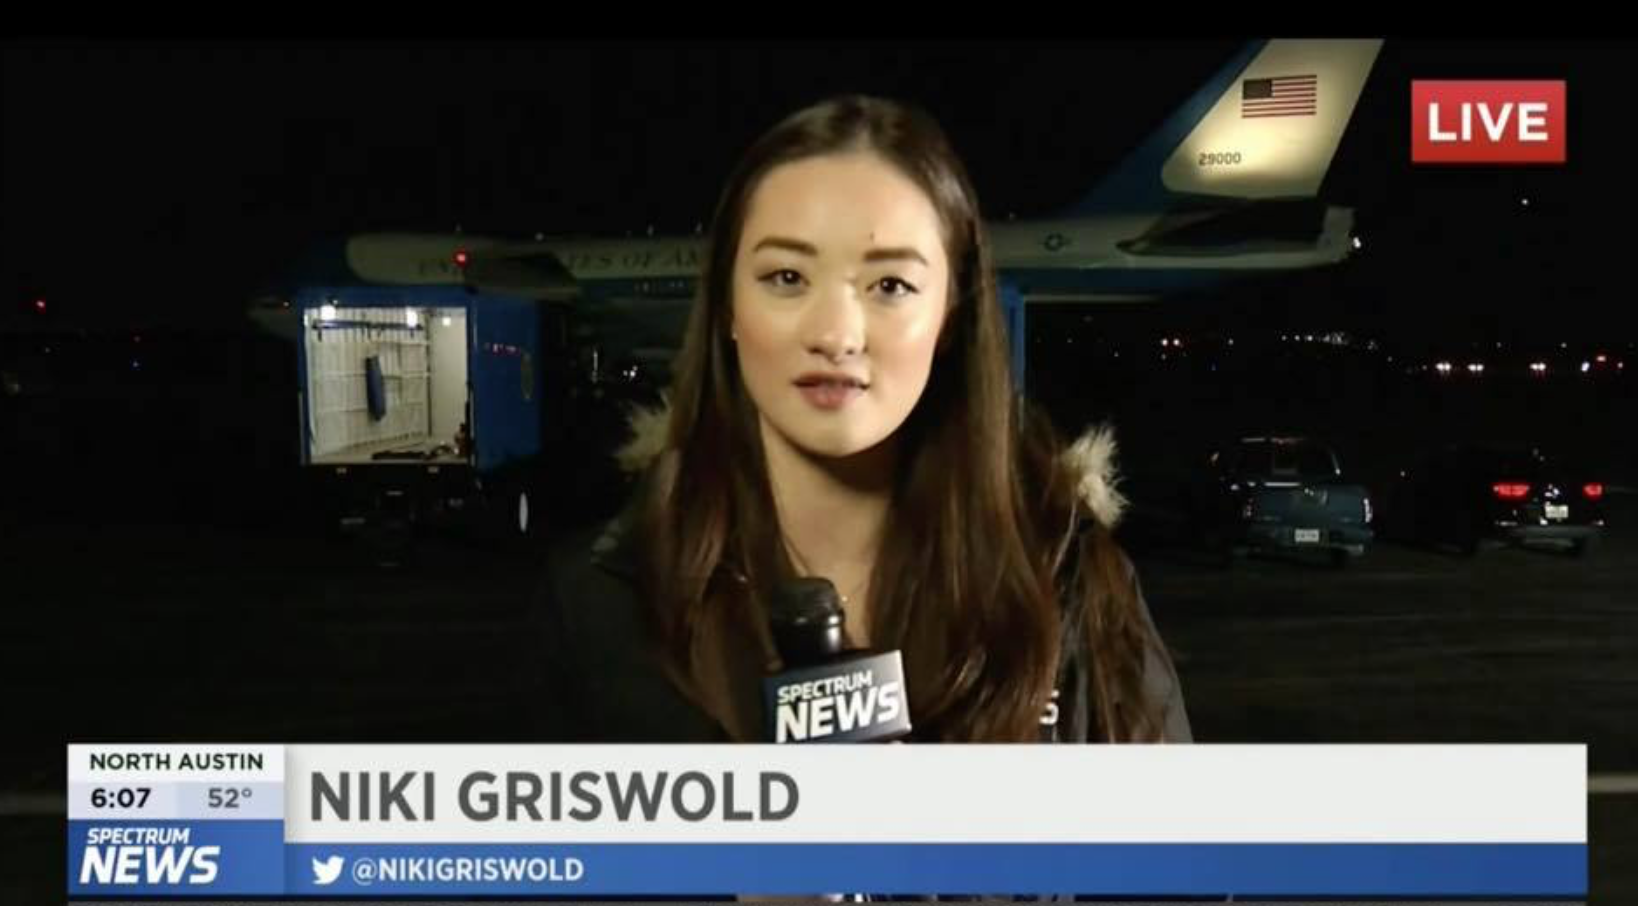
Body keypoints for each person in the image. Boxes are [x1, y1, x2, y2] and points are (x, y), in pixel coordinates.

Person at [532, 95, 1189, 745]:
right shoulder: (604, 601)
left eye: (891, 286)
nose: (836, 335)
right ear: (728, 305)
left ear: (950, 317)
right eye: (786, 277)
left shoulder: (1067, 575)